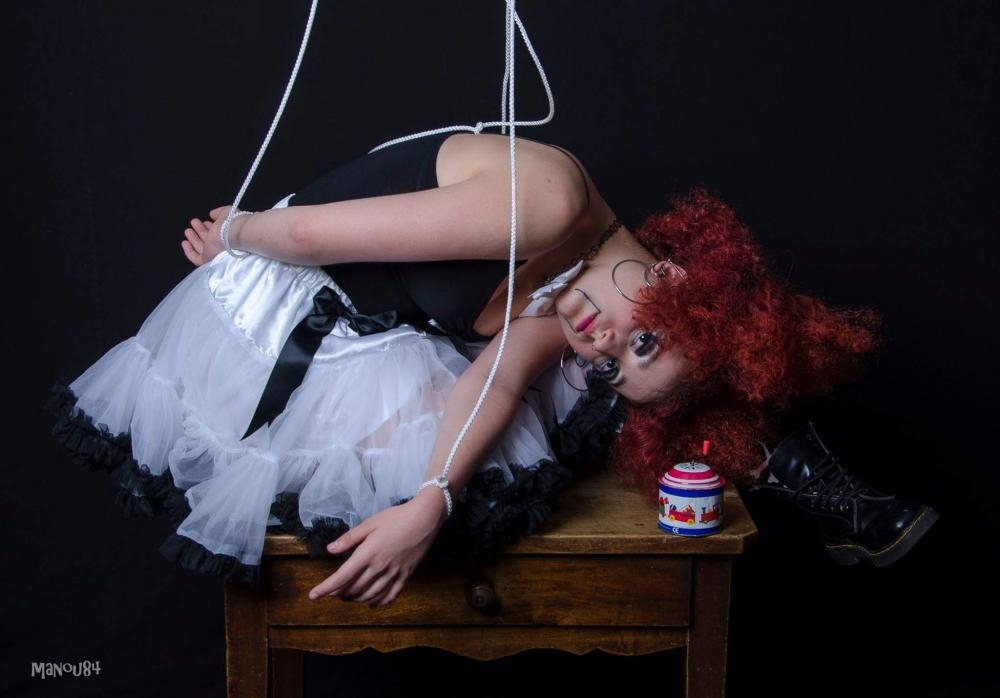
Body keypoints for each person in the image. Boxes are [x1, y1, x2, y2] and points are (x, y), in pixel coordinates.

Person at [48, 130, 936, 608]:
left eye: (617, 362)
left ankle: (814, 485)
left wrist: (431, 499)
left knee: (551, 429)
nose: (601, 345)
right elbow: (314, 232)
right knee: (504, 463)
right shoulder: (551, 200)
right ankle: (811, 481)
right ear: (673, 276)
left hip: (360, 325)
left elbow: (500, 380)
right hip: (278, 286)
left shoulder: (570, 303)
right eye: (640, 340)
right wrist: (235, 237)